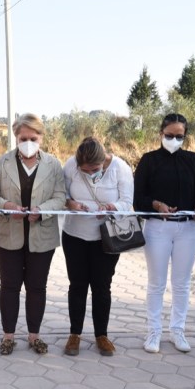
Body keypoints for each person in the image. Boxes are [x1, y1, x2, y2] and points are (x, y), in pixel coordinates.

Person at [0, 113, 66, 356]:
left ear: (41, 137)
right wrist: (8, 207)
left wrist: (41, 211)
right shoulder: (2, 162)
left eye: (33, 137)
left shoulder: (53, 164)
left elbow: (60, 197)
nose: (28, 142)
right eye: (23, 138)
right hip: (8, 234)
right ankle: (8, 336)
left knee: (37, 287)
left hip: (42, 235)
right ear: (16, 137)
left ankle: (34, 336)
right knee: (9, 286)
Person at [134, 113, 195, 354]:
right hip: (158, 227)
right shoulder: (148, 160)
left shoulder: (194, 160)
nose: (174, 140)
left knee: (182, 283)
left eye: (179, 136)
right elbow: (138, 199)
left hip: (188, 228)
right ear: (161, 133)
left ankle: (178, 330)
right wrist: (157, 205)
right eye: (170, 135)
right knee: (156, 283)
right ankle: (153, 331)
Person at [62, 137, 134, 356]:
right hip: (74, 235)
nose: (90, 173)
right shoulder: (70, 166)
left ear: (103, 160)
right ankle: (74, 335)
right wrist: (70, 203)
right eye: (85, 170)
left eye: (94, 169)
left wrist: (112, 207)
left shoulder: (120, 168)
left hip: (106, 238)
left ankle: (101, 335)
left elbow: (127, 202)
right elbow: (61, 194)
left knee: (102, 287)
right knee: (77, 285)